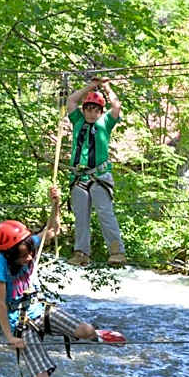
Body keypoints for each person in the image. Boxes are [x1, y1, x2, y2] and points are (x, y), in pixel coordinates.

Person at [0, 187, 125, 377]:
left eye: (30, 253)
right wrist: (9, 337)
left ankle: (98, 334)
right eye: (23, 257)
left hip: (41, 309)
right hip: (21, 323)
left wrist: (57, 204)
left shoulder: (30, 245)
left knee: (83, 330)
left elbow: (53, 230)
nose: (30, 259)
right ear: (9, 256)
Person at [65, 76, 125, 266]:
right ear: (84, 110)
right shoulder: (78, 121)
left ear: (100, 111)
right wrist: (90, 87)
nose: (91, 114)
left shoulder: (105, 123)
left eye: (95, 110)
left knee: (105, 213)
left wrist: (106, 87)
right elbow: (71, 100)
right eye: (88, 109)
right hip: (78, 177)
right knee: (81, 218)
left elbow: (116, 107)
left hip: (99, 175)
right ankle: (82, 253)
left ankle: (117, 251)